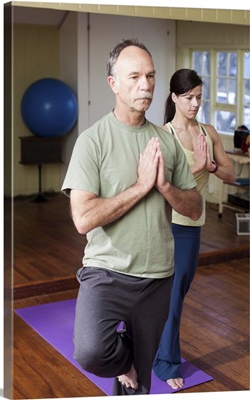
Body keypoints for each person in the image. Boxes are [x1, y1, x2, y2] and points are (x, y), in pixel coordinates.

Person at [61, 40, 202, 396]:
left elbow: (195, 207)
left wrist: (165, 185)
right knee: (92, 350)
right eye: (135, 76)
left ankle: (132, 370)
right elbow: (83, 219)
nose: (146, 85)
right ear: (113, 83)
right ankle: (125, 361)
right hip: (106, 273)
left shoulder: (165, 143)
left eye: (151, 76)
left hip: (157, 277)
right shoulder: (92, 141)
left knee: (140, 387)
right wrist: (141, 187)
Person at [152, 68, 236, 390]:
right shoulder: (162, 135)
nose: (195, 104)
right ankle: (166, 362)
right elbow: (163, 183)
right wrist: (197, 167)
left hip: (192, 226)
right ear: (174, 98)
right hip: (167, 223)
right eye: (188, 98)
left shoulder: (208, 132)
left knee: (179, 293)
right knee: (172, 297)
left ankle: (139, 338)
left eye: (199, 97)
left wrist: (211, 165)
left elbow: (229, 174)